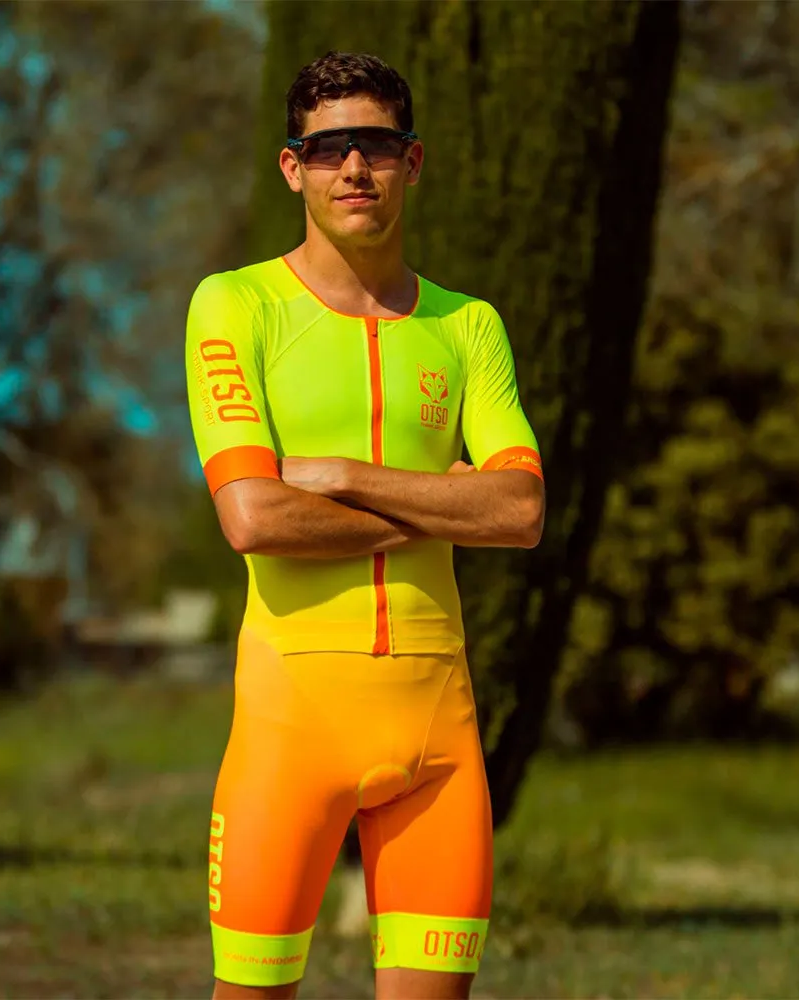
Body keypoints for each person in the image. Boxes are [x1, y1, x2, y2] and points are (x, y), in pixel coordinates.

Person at [185, 50, 545, 1000]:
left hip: (438, 742)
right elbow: (253, 516)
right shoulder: (236, 304)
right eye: (328, 147)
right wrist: (442, 505)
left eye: (376, 146)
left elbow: (520, 510)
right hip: (289, 730)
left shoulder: (468, 326)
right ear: (292, 167)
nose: (354, 168)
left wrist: (346, 478)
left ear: (411, 162)